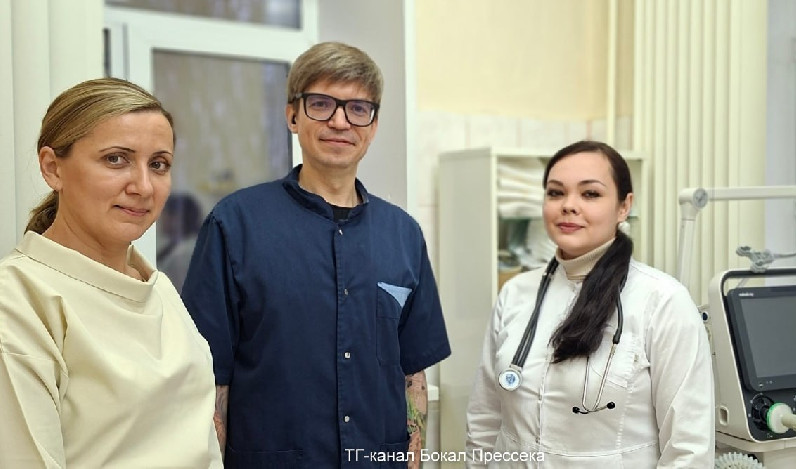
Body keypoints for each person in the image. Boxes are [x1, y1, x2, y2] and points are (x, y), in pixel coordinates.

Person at [181, 41, 451, 468]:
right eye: (322, 104)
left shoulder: (403, 234)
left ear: (373, 125)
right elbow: (211, 379)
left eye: (358, 109)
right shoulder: (235, 225)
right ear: (293, 115)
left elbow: (411, 375)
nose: (340, 121)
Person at [0, 77, 221, 468]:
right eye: (116, 159)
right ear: (52, 168)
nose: (143, 186)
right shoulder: (19, 299)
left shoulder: (159, 289)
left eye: (158, 164)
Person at [466, 140, 714, 467]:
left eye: (590, 194)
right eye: (556, 193)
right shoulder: (516, 293)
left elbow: (689, 449)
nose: (569, 205)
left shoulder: (664, 302)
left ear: (624, 206)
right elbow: (485, 418)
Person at [157, 192, 204, 293]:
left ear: (175, 218)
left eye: (164, 214)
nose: (160, 219)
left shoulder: (183, 253)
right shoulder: (176, 247)